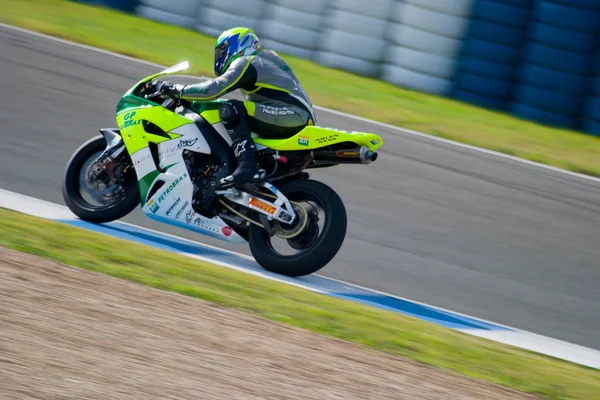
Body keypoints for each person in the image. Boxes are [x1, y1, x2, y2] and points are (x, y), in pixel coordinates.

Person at [156, 27, 316, 188]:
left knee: (231, 109)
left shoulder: (248, 61)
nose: (219, 56)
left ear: (236, 45)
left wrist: (176, 90)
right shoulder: (264, 60)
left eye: (222, 50)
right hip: (296, 116)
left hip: (292, 115)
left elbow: (212, 89)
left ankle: (247, 165)